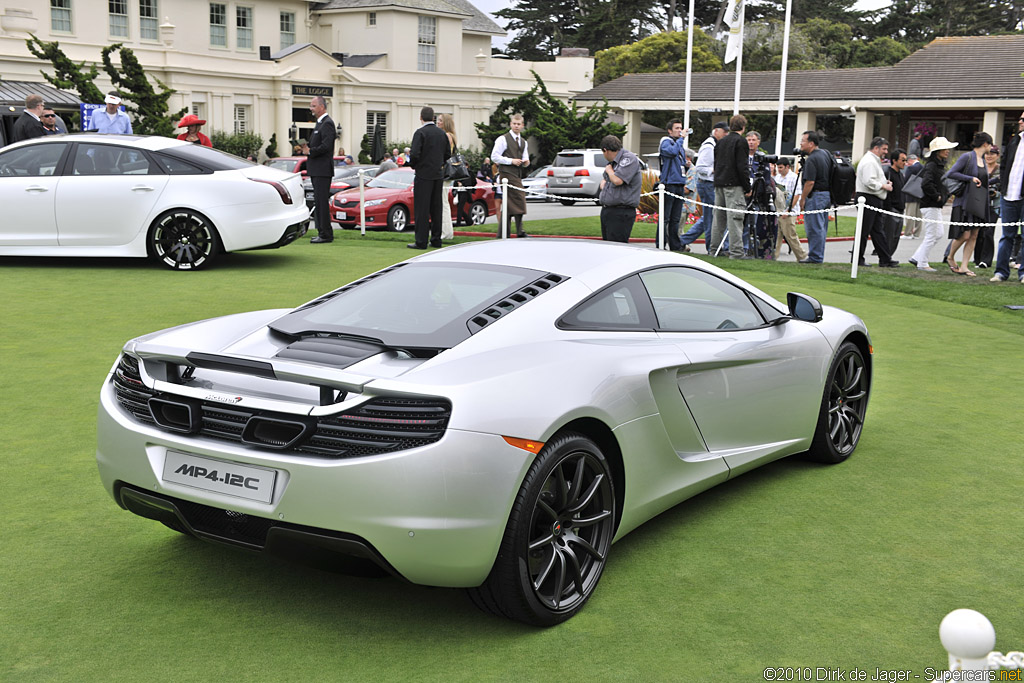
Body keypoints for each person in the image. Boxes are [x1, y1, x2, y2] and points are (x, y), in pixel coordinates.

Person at [945, 132, 993, 276]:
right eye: (990, 144)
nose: (991, 147)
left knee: (974, 235)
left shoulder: (982, 160)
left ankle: (965, 266)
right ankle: (950, 256)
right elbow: (951, 173)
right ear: (985, 144)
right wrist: (970, 178)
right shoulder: (967, 157)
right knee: (964, 235)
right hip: (964, 201)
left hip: (977, 202)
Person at [908, 136, 957, 272]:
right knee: (932, 235)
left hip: (934, 205)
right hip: (930, 204)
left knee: (938, 233)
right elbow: (926, 183)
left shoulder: (937, 164)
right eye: (944, 149)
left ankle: (917, 257)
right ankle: (922, 263)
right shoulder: (932, 165)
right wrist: (937, 196)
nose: (947, 151)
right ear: (938, 151)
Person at [680, 121, 728, 253]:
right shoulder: (709, 146)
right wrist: (715, 170)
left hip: (709, 184)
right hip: (707, 183)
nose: (726, 134)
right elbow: (700, 167)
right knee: (710, 218)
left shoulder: (714, 144)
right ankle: (711, 247)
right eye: (724, 132)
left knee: (708, 217)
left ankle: (683, 241)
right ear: (716, 131)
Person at [408, 106, 449, 250]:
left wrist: (414, 165)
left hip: (423, 175)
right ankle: (436, 239)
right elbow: (447, 154)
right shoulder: (441, 134)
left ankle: (421, 241)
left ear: (421, 117)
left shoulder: (420, 133)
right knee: (436, 208)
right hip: (438, 174)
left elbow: (414, 154)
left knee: (422, 209)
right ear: (433, 118)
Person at [710, 115, 750, 259]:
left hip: (719, 182)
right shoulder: (740, 142)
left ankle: (714, 249)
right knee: (735, 218)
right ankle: (737, 252)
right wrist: (747, 186)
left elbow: (715, 164)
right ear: (743, 127)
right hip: (734, 184)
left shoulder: (721, 142)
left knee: (718, 219)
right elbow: (742, 166)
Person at [991, 111, 1024, 283]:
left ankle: (1023, 273)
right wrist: (1003, 186)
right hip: (1008, 195)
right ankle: (1001, 272)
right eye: (1020, 118)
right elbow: (1004, 166)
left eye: (1023, 119)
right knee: (1006, 236)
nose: (1020, 121)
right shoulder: (1014, 141)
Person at [854, 136, 898, 267]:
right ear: (876, 148)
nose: (886, 152)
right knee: (864, 231)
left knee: (877, 231)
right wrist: (884, 186)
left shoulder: (873, 160)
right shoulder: (869, 161)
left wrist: (884, 182)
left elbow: (872, 179)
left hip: (872, 198)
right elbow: (869, 181)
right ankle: (858, 259)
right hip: (867, 198)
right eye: (884, 149)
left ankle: (885, 259)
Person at [302, 95, 337, 243]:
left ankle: (325, 234)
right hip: (317, 169)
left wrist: (310, 151)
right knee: (319, 201)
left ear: (322, 107)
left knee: (321, 202)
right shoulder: (319, 123)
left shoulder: (327, 123)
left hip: (322, 170)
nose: (311, 109)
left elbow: (326, 146)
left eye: (313, 106)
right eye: (311, 106)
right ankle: (322, 231)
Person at [491, 114, 530, 238]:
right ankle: (519, 230)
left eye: (518, 124)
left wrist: (526, 162)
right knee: (519, 199)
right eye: (514, 123)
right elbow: (494, 156)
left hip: (517, 175)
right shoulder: (502, 139)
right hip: (506, 175)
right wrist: (511, 161)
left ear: (522, 125)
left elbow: (525, 157)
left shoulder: (523, 142)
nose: (516, 126)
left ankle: (504, 233)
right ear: (510, 124)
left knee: (509, 205)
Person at [597, 135, 642, 243]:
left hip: (621, 211)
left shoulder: (628, 159)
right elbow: (606, 180)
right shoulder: (613, 162)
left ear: (605, 150)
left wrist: (609, 171)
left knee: (617, 247)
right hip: (609, 210)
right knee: (608, 246)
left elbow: (618, 180)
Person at [798, 130, 833, 263]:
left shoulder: (812, 159)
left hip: (816, 196)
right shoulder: (825, 154)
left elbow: (810, 182)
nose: (801, 144)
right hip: (826, 194)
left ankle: (815, 257)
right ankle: (817, 255)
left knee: (814, 227)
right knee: (821, 227)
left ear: (811, 143)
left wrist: (803, 199)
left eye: (803, 141)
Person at [658, 118, 690, 251]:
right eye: (677, 128)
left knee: (675, 218)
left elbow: (679, 161)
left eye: (680, 128)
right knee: (665, 218)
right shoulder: (666, 142)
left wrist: (686, 166)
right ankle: (660, 244)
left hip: (679, 183)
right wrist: (682, 139)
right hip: (669, 183)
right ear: (670, 131)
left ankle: (675, 246)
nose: (680, 131)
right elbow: (671, 152)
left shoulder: (679, 144)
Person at [773, 158, 808, 261]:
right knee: (776, 236)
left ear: (787, 166)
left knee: (790, 235)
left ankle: (802, 256)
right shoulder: (777, 178)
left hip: (790, 212)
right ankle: (773, 256)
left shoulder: (794, 177)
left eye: (781, 167)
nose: (779, 169)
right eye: (777, 167)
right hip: (778, 210)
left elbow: (797, 195)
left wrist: (788, 210)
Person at [882, 148, 907, 256]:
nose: (904, 163)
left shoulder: (901, 175)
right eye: (902, 160)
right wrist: (888, 209)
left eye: (905, 160)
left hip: (900, 209)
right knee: (889, 236)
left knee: (896, 237)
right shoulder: (888, 173)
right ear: (894, 160)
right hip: (891, 210)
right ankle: (885, 258)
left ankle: (889, 257)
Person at [438, 113, 457, 241]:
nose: (437, 122)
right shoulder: (452, 136)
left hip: (444, 173)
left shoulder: (447, 136)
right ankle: (446, 231)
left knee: (443, 203)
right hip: (446, 174)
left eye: (440, 120)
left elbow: (444, 154)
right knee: (443, 202)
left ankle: (446, 232)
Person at [901, 154, 924, 238]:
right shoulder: (923, 167)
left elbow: (906, 180)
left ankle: (907, 233)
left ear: (910, 160)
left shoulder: (911, 168)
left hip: (911, 194)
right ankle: (917, 233)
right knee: (919, 215)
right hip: (920, 194)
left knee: (910, 214)